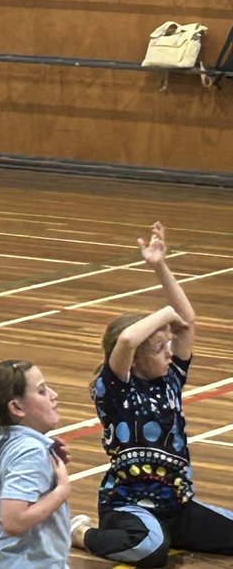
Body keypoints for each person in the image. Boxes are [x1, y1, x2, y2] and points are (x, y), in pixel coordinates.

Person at [72, 223, 233, 566]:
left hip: (176, 504)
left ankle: (166, 532)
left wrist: (159, 266)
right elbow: (127, 340)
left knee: (166, 540)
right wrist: (164, 315)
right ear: (135, 359)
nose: (170, 353)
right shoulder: (114, 390)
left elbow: (187, 321)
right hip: (128, 506)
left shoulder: (170, 379)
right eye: (160, 348)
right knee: (149, 551)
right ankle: (82, 533)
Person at [0, 359, 74, 566]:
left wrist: (47, 466)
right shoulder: (30, 450)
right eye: (41, 391)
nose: (53, 394)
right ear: (17, 407)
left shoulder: (8, 440)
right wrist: (61, 491)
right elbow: (14, 521)